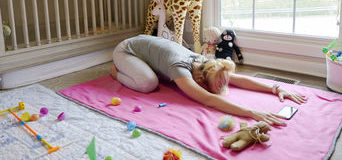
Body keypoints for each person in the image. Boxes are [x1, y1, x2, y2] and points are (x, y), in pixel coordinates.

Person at [110, 35, 306, 126]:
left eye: (224, 81)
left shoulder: (206, 64)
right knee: (148, 84)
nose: (225, 84)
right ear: (201, 78)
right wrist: (251, 112)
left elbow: (239, 80)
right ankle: (114, 71)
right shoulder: (181, 68)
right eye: (221, 83)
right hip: (127, 49)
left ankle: (144, 66)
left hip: (148, 49)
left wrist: (276, 88)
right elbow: (207, 99)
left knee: (155, 76)